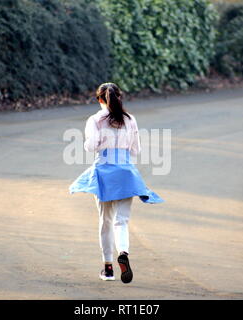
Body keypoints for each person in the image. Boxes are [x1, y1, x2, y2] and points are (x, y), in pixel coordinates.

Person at [69, 82, 164, 284]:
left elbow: (91, 146)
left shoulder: (94, 120)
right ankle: (124, 252)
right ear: (120, 97)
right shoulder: (130, 120)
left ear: (99, 100)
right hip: (126, 173)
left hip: (104, 172)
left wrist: (89, 141)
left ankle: (108, 268)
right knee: (122, 221)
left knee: (105, 222)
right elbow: (135, 150)